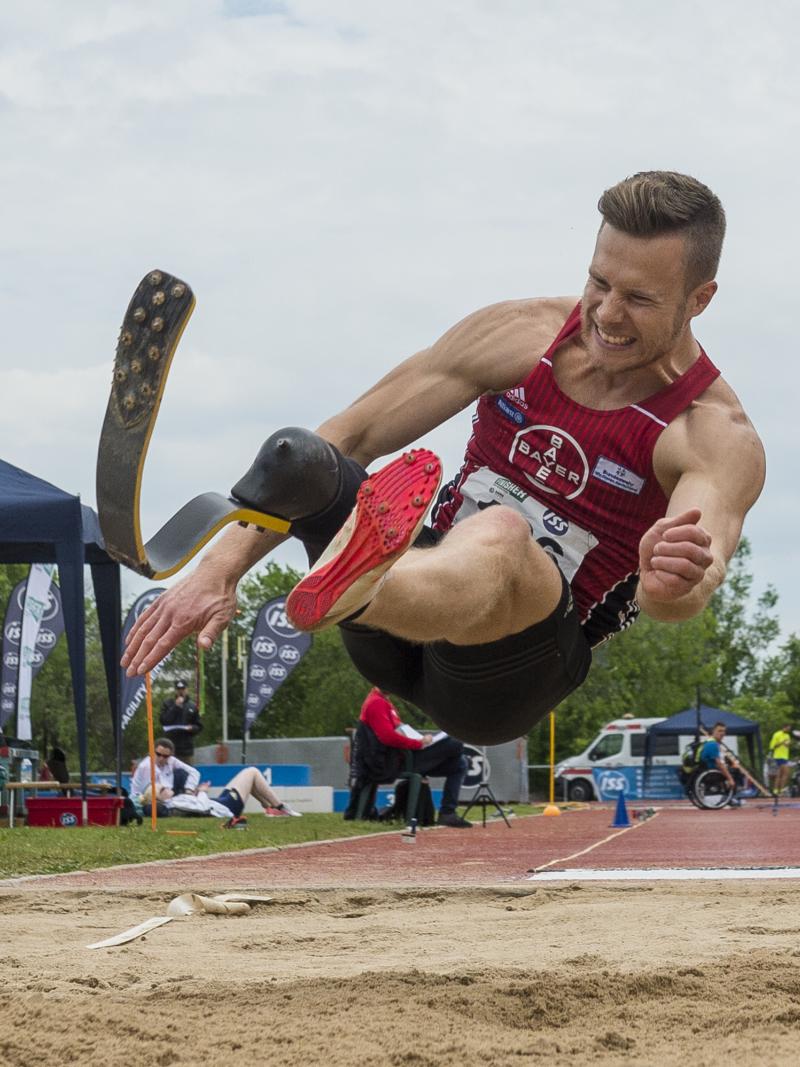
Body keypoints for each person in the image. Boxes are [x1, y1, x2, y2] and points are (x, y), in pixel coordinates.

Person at [122, 171, 765, 751]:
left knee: (503, 535)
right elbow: (357, 431)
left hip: (505, 676)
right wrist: (217, 573)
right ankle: (361, 577)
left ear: (699, 299)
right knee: (300, 457)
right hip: (404, 624)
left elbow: (685, 594)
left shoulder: (710, 432)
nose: (607, 314)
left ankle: (361, 580)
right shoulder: (518, 334)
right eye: (598, 282)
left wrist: (671, 583)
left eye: (640, 299)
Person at [359, 687, 471, 828]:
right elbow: (387, 737)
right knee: (455, 743)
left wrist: (420, 739)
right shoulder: (376, 703)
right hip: (396, 761)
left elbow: (398, 731)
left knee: (460, 764)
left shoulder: (384, 701)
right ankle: (442, 804)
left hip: (406, 756)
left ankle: (447, 813)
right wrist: (418, 743)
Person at [130, 737, 301, 820]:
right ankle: (279, 806)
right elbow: (202, 807)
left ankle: (271, 808)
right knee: (252, 772)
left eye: (164, 756)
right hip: (224, 807)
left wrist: (190, 790)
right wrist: (201, 793)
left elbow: (193, 773)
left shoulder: (174, 791)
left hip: (217, 802)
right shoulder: (148, 771)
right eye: (158, 754)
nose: (161, 758)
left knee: (251, 776)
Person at [159, 679, 202, 763]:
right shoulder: (168, 703)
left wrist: (192, 728)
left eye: (183, 689)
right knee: (170, 774)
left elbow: (199, 726)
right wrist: (176, 706)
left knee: (186, 773)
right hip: (170, 748)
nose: (181, 692)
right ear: (176, 690)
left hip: (186, 750)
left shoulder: (192, 706)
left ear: (187, 690)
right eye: (179, 689)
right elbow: (164, 721)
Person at [767, 722, 794, 795]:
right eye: (788, 727)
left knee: (784, 774)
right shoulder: (777, 734)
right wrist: (782, 742)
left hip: (785, 756)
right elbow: (772, 746)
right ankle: (778, 790)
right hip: (778, 756)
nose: (789, 729)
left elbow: (787, 745)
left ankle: (779, 790)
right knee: (782, 773)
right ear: (784, 727)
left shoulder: (787, 735)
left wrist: (788, 744)